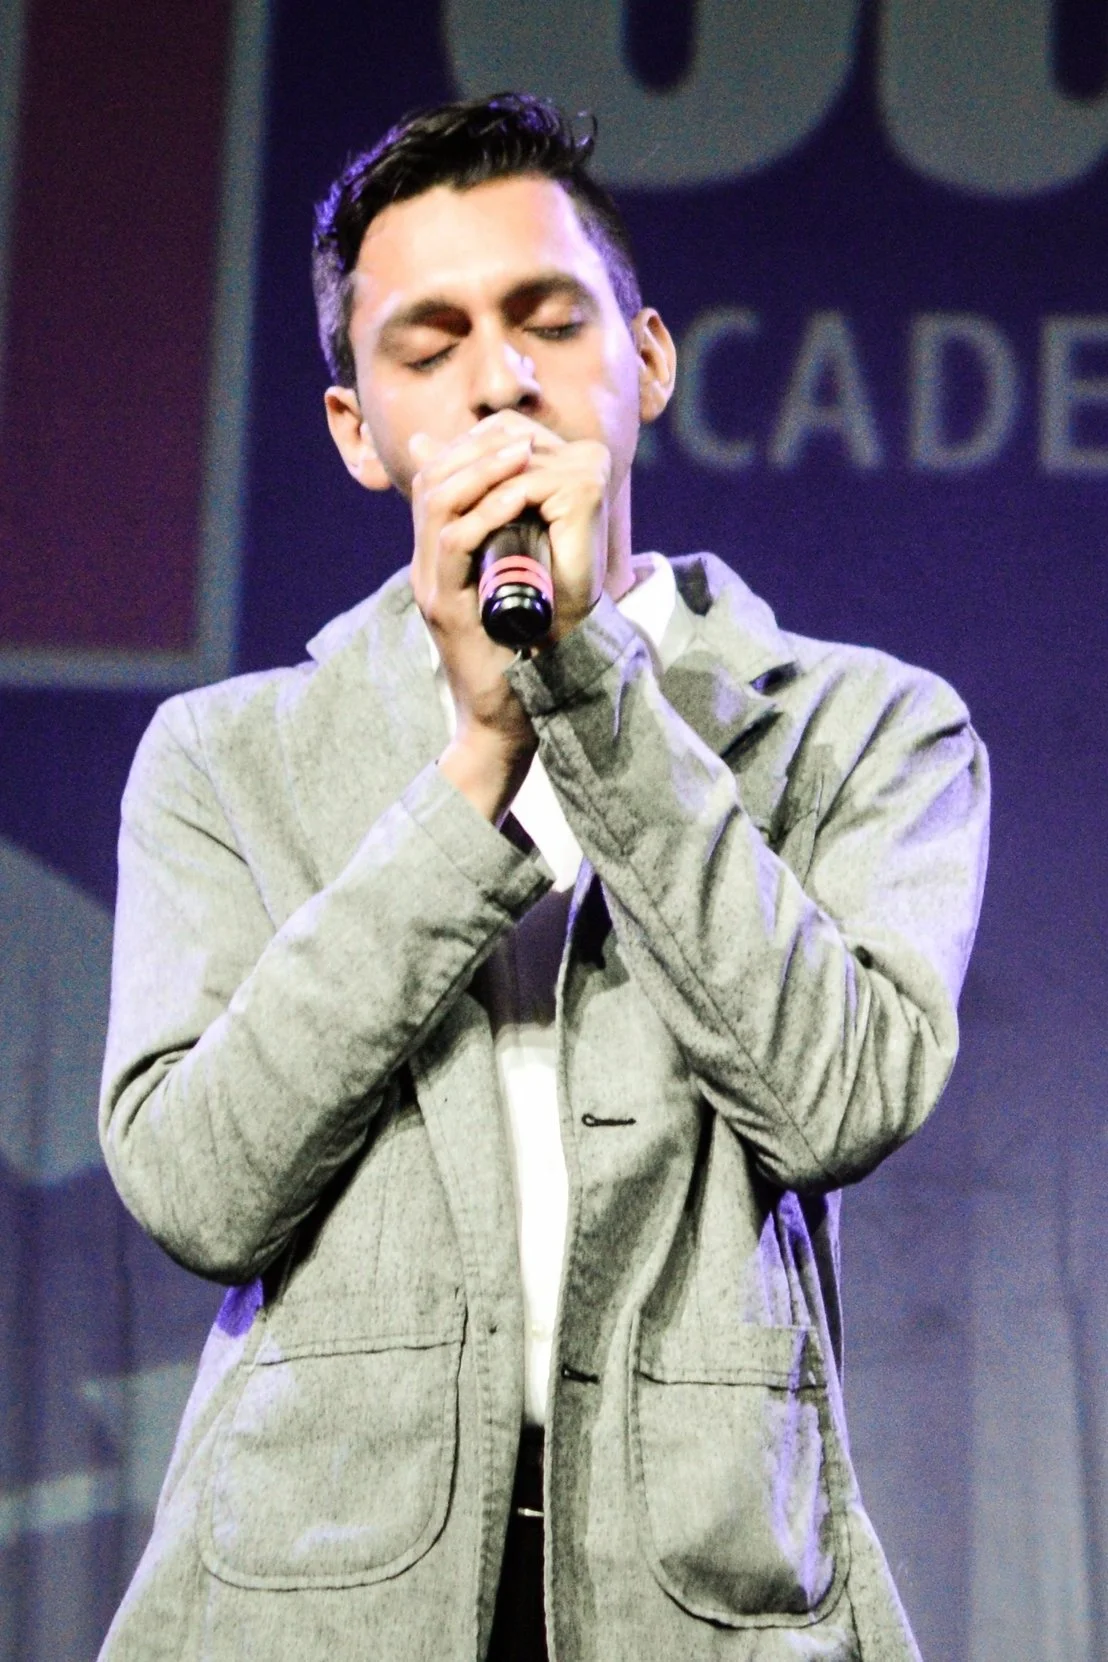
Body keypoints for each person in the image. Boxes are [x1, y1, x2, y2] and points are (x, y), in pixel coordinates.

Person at [97, 93, 989, 1661]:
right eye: (427, 344)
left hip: (705, 1613)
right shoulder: (224, 758)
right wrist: (471, 772)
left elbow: (838, 1098)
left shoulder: (871, 727)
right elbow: (200, 1187)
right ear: (357, 431)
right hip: (300, 1611)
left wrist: (585, 695)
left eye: (546, 320)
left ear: (642, 362)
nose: (501, 377)